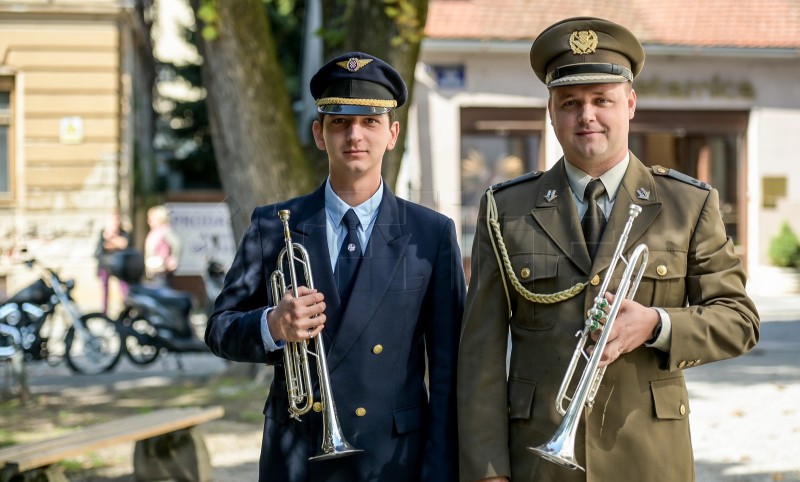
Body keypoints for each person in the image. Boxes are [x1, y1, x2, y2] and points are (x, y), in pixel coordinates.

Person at [457, 17, 760, 482]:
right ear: (551, 111)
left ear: (630, 103)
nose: (587, 115)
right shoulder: (506, 208)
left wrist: (656, 325)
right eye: (571, 102)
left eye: (603, 100)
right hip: (537, 461)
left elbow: (739, 321)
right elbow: (481, 351)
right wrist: (487, 469)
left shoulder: (689, 203)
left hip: (649, 457)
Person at [206, 51, 466, 482]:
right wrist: (271, 326)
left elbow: (447, 368)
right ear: (319, 133)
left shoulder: (431, 233)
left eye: (369, 122)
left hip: (393, 458)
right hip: (298, 454)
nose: (355, 135)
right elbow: (219, 329)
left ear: (392, 133)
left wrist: (439, 471)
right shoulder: (275, 226)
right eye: (340, 122)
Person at [95, 208, 130, 314]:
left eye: (117, 219)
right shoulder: (103, 232)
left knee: (124, 288)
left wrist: (110, 239)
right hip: (105, 265)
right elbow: (102, 247)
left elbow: (124, 244)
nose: (115, 222)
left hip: (119, 265)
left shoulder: (123, 233)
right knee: (105, 290)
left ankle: (126, 310)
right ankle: (104, 312)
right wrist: (115, 242)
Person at [143, 205, 181, 286]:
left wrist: (173, 260)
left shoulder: (165, 230)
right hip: (154, 271)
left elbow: (177, 244)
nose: (149, 221)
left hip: (162, 272)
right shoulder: (155, 231)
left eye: (151, 218)